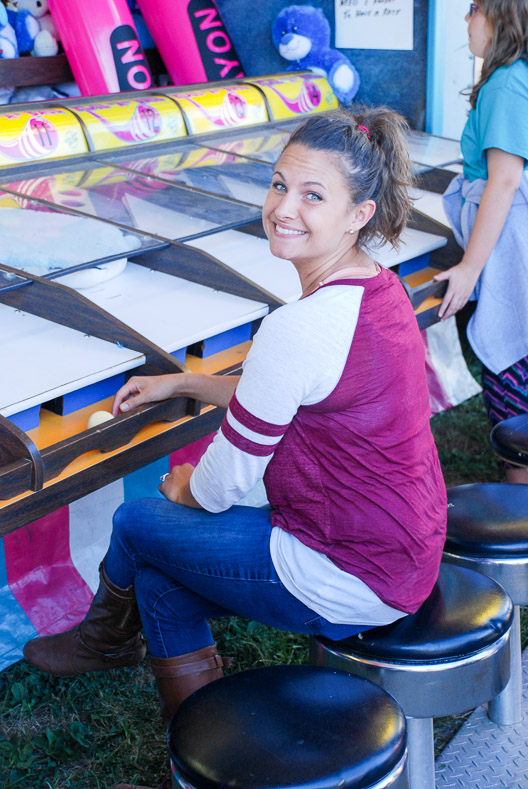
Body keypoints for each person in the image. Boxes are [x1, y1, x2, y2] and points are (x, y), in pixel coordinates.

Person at [23, 108, 447, 789]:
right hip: (404, 548)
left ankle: (103, 638)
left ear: (358, 213)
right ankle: (204, 749)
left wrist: (185, 489)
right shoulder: (378, 287)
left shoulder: (301, 326)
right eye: (279, 184)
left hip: (350, 570)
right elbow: (288, 392)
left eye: (313, 195)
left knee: (139, 521)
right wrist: (185, 382)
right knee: (159, 581)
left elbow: (220, 484)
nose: (283, 208)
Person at [435, 0, 528, 483]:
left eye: (473, 8)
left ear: (500, 18)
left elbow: (504, 181)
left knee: (516, 392)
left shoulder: (505, 83)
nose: (466, 18)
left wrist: (470, 268)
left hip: (512, 252)